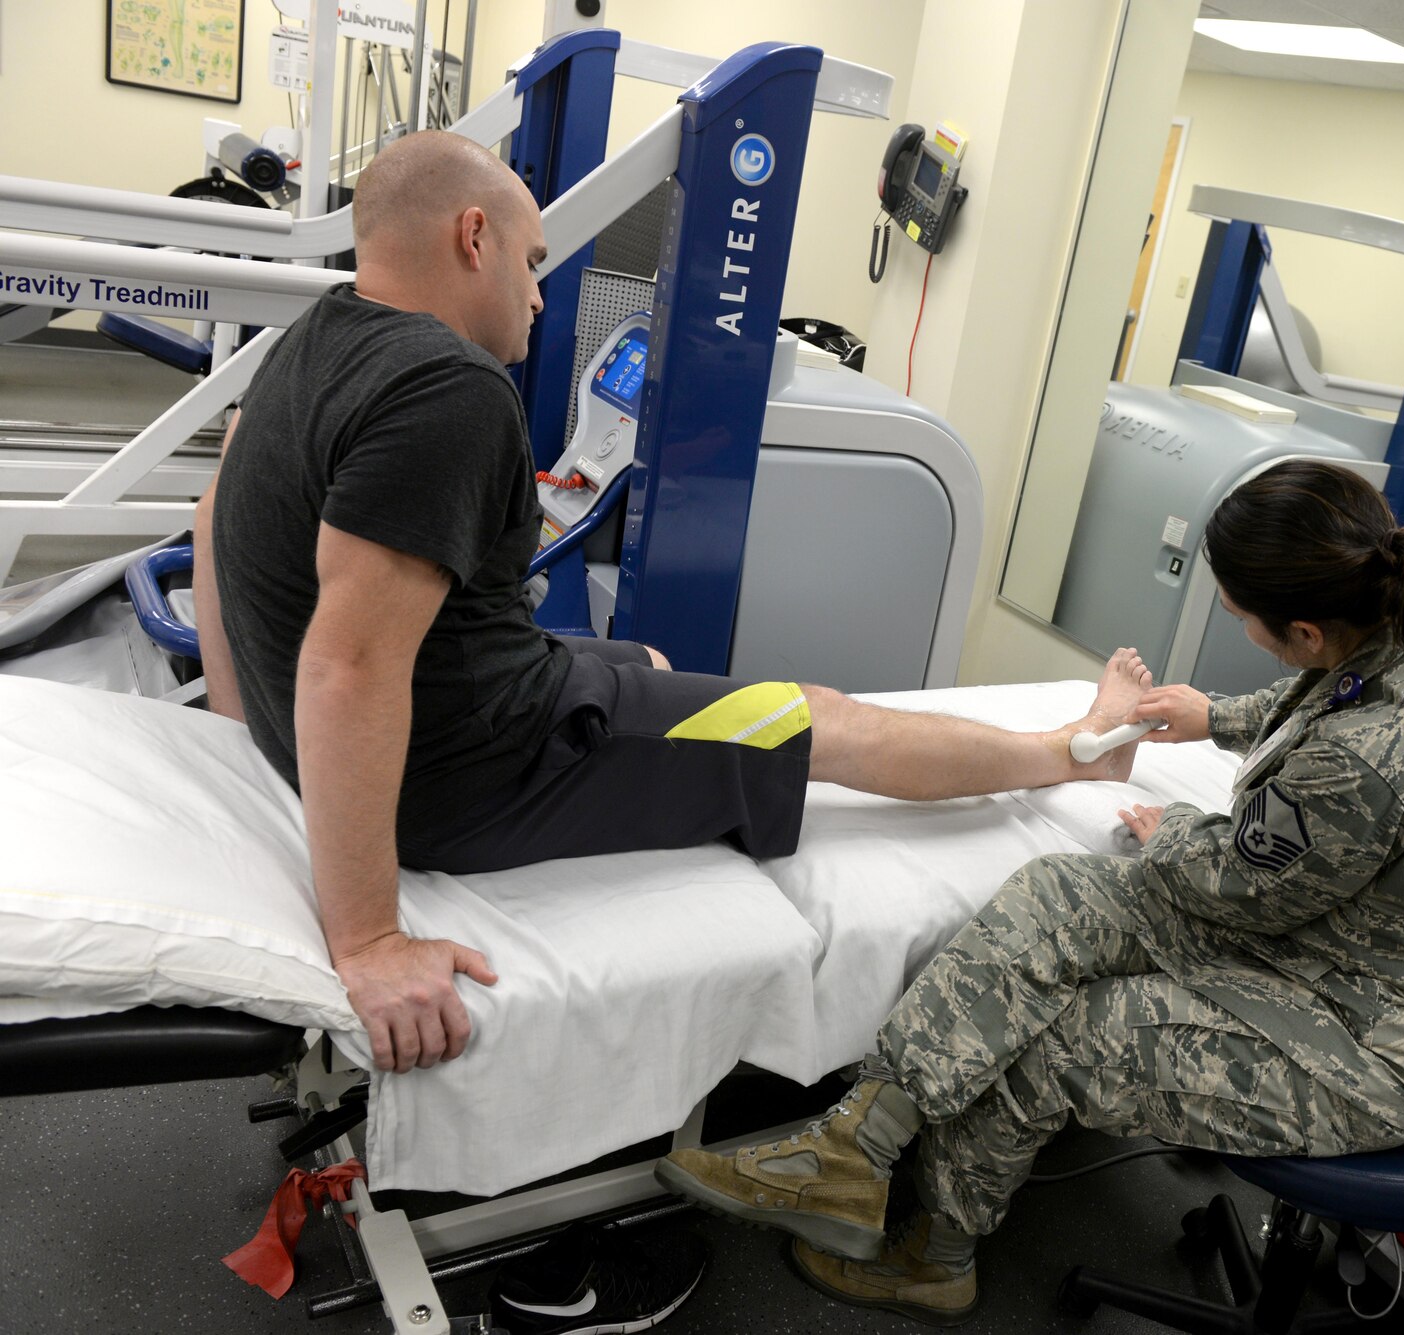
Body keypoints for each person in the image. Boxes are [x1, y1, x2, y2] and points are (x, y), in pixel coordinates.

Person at [194, 131, 1158, 1081]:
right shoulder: (451, 390)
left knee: (645, 661)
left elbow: (214, 518)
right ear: (472, 237)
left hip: (458, 705)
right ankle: (1073, 750)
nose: (536, 293)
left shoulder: (313, 338)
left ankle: (656, 727)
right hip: (475, 773)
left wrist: (247, 729)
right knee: (813, 715)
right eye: (531, 264)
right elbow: (350, 666)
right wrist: (366, 939)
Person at [654, 460, 1404, 1325]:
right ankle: (853, 1147)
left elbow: (1242, 884)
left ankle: (938, 1258)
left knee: (1075, 1036)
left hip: (1370, 1035)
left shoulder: (1356, 766)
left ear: (1304, 626)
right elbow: (1336, 690)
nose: (1225, 611)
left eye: (1239, 610)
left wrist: (1170, 831)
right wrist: (1221, 716)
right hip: (1318, 936)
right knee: (1059, 894)